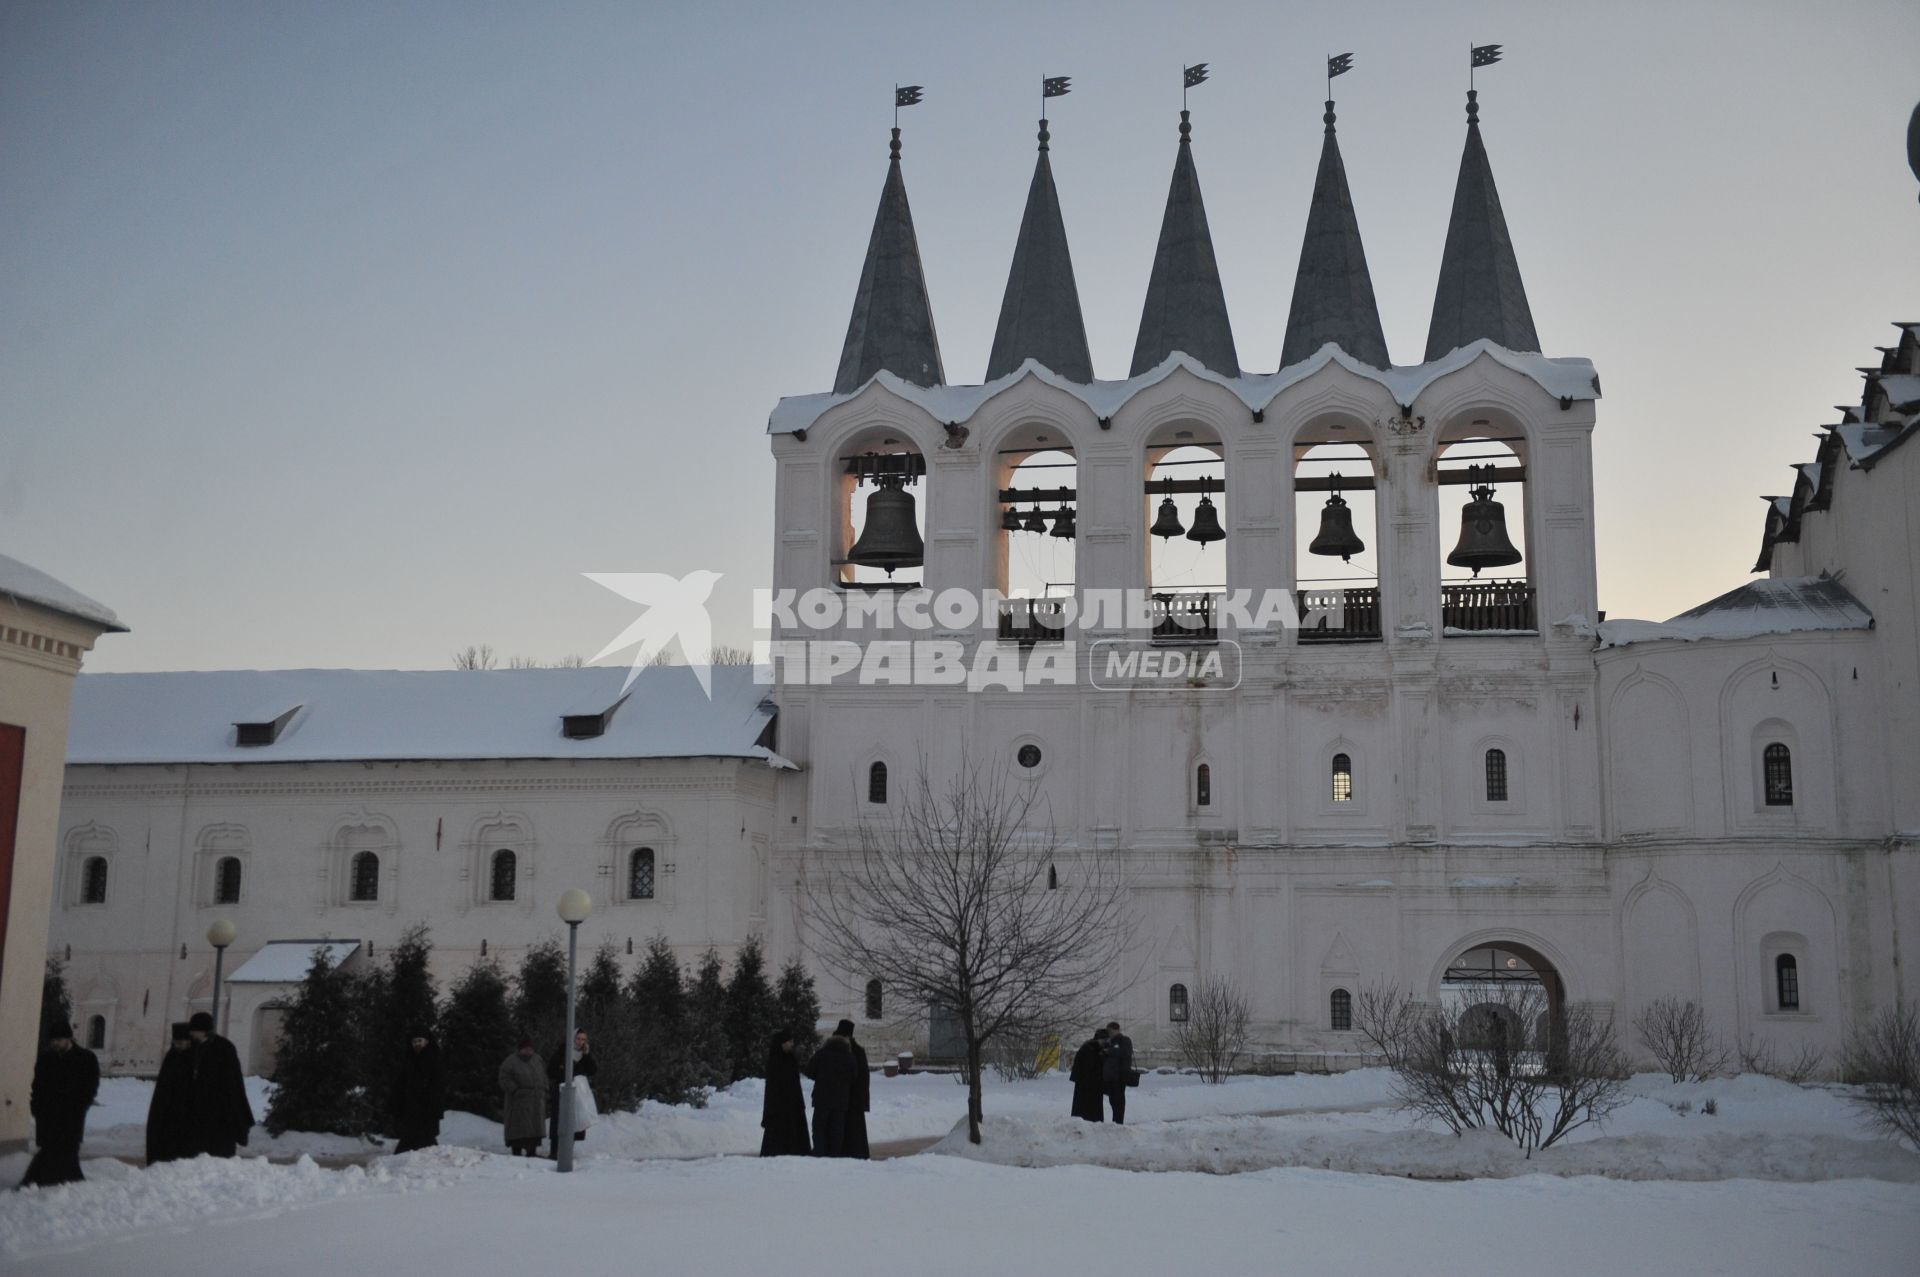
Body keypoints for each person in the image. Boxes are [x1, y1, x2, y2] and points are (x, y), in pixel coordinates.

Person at [19, 1021, 99, 1188]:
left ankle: (40, 1182)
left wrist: (81, 1105)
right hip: (48, 1115)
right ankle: (62, 1182)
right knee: (52, 1149)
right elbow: (38, 1086)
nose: (54, 1043)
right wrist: (36, 1107)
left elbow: (90, 1086)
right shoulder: (46, 1059)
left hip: (72, 1114)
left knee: (65, 1149)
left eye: (58, 1040)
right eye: (52, 1040)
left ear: (68, 1038)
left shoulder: (86, 1058)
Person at [186, 1010, 254, 1158]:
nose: (192, 1034)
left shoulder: (224, 1047)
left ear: (203, 1031)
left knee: (218, 1142)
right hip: (197, 1102)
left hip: (219, 1103)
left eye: (195, 1031)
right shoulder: (191, 1046)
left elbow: (232, 1079)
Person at [146, 1022, 197, 1165]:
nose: (179, 1046)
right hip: (169, 1111)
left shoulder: (194, 1059)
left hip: (187, 1110)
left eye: (182, 1043)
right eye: (177, 1043)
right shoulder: (171, 1058)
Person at [391, 1029, 446, 1154]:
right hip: (410, 1108)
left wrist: (435, 1106)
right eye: (414, 1041)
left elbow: (438, 1085)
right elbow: (401, 1082)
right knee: (408, 1139)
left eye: (419, 1041)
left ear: (426, 1042)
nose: (417, 1044)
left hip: (428, 1108)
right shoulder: (408, 1058)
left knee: (427, 1141)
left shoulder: (434, 1057)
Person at [801, 1030, 855, 1157]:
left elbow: (809, 1071)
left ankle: (819, 1152)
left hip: (822, 1098)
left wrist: (821, 1077)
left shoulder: (821, 1054)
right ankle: (834, 1153)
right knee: (837, 1129)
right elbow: (854, 1077)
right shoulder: (849, 1057)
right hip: (841, 1099)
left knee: (819, 1127)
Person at [759, 1028, 811, 1157]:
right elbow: (773, 1087)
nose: (791, 1044)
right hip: (779, 1106)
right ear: (782, 1043)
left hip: (794, 1105)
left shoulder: (790, 1059)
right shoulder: (775, 1061)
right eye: (789, 1041)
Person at [547, 1028, 597, 1158]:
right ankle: (554, 1151)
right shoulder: (562, 1052)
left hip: (578, 1093)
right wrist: (565, 1075)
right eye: (578, 1038)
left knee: (575, 1120)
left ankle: (567, 1150)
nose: (580, 1042)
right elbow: (551, 1071)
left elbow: (592, 1070)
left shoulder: (583, 1055)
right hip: (561, 1091)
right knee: (559, 1119)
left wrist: (587, 1055)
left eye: (583, 1039)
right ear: (572, 1038)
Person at [498, 1037, 548, 1157]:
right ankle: (517, 1151)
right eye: (525, 1049)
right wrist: (515, 1090)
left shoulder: (537, 1059)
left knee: (534, 1129)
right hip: (518, 1102)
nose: (528, 1051)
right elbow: (504, 1078)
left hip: (536, 1101)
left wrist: (545, 1088)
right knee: (518, 1129)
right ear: (520, 1049)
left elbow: (544, 1075)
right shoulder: (510, 1061)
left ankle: (532, 1151)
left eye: (530, 1049)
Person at [833, 1020, 872, 1159]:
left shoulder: (853, 1051)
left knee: (852, 1129)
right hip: (852, 1098)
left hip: (852, 1098)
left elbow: (860, 1077)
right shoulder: (857, 1051)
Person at [1068, 1027, 1108, 1122]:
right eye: (1105, 1041)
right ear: (1100, 1040)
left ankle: (1088, 1122)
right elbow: (1091, 1067)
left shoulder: (1091, 1046)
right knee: (1087, 1108)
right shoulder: (1090, 1048)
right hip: (1087, 1084)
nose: (1106, 1043)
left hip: (1088, 1083)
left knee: (1087, 1107)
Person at [1102, 1020, 1135, 1125]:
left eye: (1110, 1031)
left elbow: (1125, 1052)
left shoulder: (1124, 1040)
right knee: (1113, 1100)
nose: (1109, 1033)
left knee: (1118, 1101)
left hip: (1119, 1076)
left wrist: (1109, 1051)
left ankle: (1118, 1122)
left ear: (1116, 1030)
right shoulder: (1109, 1041)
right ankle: (1115, 1122)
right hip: (1110, 1077)